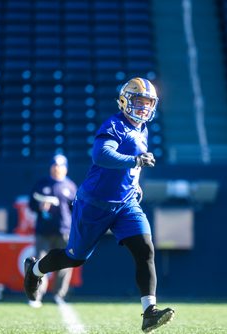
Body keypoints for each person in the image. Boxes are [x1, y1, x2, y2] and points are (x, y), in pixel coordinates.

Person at [24, 77, 175, 332]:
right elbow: (102, 155)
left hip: (126, 204)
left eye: (149, 103)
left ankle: (149, 311)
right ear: (125, 100)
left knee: (145, 249)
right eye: (139, 101)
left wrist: (134, 180)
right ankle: (35, 270)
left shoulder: (142, 129)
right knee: (74, 258)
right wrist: (135, 161)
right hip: (95, 203)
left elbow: (131, 164)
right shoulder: (114, 124)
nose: (145, 108)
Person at [27, 154, 77, 307]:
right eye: (55, 165)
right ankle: (37, 295)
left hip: (64, 231)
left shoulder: (70, 186)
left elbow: (75, 209)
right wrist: (40, 206)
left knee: (64, 263)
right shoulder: (42, 184)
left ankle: (59, 295)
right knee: (39, 263)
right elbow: (31, 205)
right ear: (50, 167)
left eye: (61, 166)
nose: (57, 168)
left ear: (66, 169)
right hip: (44, 230)